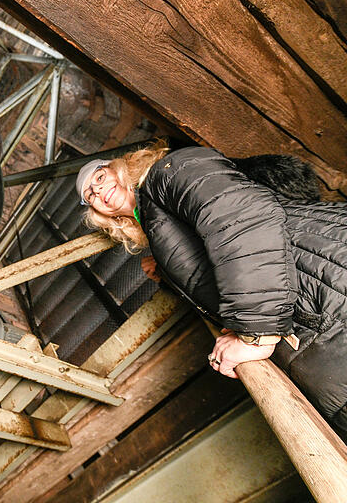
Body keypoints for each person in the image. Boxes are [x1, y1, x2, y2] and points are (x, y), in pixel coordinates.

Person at [76, 140, 347, 438]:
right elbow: (210, 263)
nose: (98, 191)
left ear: (120, 167)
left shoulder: (169, 171)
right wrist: (166, 274)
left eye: (99, 178)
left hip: (329, 292)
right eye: (90, 195)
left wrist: (255, 334)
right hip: (319, 330)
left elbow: (243, 221)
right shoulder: (153, 220)